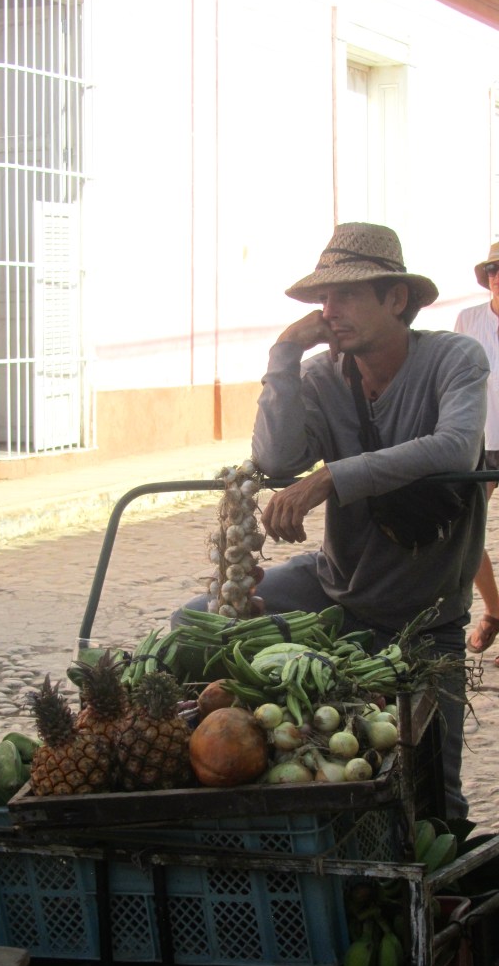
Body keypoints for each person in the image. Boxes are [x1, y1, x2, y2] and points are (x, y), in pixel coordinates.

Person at [176, 222, 489, 820]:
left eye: (347, 295)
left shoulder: (455, 359)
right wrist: (285, 354)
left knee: (436, 799)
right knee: (192, 624)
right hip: (334, 591)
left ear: (396, 299)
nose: (330, 310)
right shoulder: (322, 375)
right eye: (324, 298)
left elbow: (453, 447)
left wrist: (332, 477)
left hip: (427, 621)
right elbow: (275, 458)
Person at [456, 243, 499, 664]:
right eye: (492, 268)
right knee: (467, 536)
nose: (498, 274)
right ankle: (495, 610)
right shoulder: (468, 320)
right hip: (481, 440)